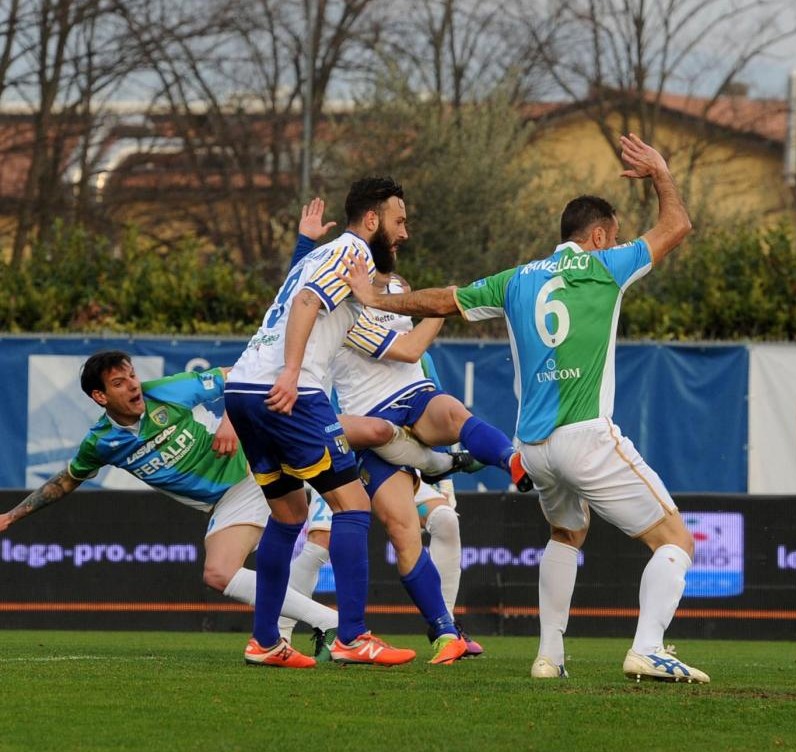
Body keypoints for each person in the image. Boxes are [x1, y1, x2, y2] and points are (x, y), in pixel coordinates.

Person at [341, 134, 706, 683]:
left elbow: (445, 299)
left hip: (532, 448)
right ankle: (648, 647)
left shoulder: (517, 279)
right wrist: (659, 172)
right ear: (601, 236)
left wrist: (376, 300)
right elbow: (677, 226)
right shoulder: (607, 267)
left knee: (566, 536)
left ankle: (548, 658)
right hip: (586, 437)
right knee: (675, 541)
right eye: (613, 238)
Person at [288, 201, 530, 665]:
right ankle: (439, 630)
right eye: (399, 224)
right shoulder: (337, 302)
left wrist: (424, 300)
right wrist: (443, 306)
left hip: (414, 396)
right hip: (368, 417)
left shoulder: (397, 286)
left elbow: (412, 347)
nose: (405, 235)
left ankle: (512, 461)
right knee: (402, 531)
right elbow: (409, 344)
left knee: (454, 416)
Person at [0, 353, 343, 643]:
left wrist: (231, 421)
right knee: (222, 574)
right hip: (226, 500)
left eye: (132, 376)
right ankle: (300, 629)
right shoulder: (101, 443)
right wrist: (11, 517)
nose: (133, 384)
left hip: (253, 471)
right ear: (100, 397)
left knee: (234, 565)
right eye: (119, 383)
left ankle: (321, 624)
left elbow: (239, 376)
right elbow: (64, 481)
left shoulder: (165, 392)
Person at [223, 178, 419, 667]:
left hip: (245, 390)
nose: (404, 234)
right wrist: (291, 373)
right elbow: (308, 302)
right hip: (291, 390)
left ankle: (265, 641)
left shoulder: (321, 256)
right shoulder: (355, 255)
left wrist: (303, 241)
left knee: (288, 515)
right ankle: (352, 636)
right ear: (371, 220)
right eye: (399, 221)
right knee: (352, 506)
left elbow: (304, 299)